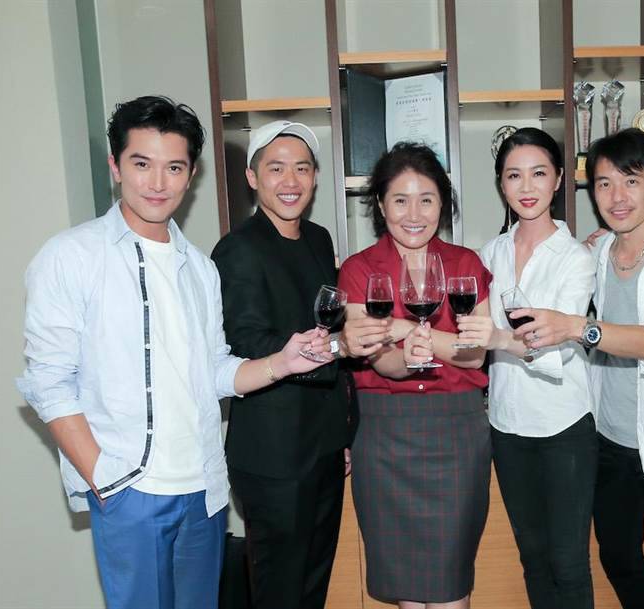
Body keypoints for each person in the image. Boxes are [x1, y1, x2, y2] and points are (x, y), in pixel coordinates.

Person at [15, 97, 331, 609]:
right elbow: (49, 382)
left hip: (204, 491)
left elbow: (213, 372)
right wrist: (106, 481)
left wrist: (283, 362)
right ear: (116, 166)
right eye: (142, 163)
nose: (158, 182)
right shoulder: (72, 256)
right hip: (130, 491)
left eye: (175, 167)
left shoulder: (199, 269)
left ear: (191, 175)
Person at [513, 128, 644, 609]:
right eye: (604, 184)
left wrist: (577, 327)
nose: (617, 197)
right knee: (617, 555)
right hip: (609, 438)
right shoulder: (596, 254)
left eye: (631, 181)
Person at [337, 142, 491, 609]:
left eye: (426, 199)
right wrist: (411, 355)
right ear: (381, 204)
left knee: (449, 588)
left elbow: (475, 356)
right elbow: (378, 358)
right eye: (400, 200)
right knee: (406, 591)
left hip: (457, 433)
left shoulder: (465, 265)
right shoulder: (358, 270)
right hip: (385, 436)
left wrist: (405, 330)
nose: (414, 214)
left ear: (442, 204)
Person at [211, 121, 352, 609]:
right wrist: (337, 348)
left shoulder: (318, 238)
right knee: (280, 592)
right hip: (273, 456)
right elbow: (246, 342)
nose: (290, 181)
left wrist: (342, 432)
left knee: (314, 587)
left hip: (323, 445)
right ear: (253, 177)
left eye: (302, 169)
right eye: (276, 169)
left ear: (315, 177)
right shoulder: (238, 249)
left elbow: (330, 326)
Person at [455, 127, 597, 609]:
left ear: (558, 179)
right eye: (514, 176)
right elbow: (470, 338)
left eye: (539, 173)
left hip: (564, 425)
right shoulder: (489, 255)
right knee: (532, 558)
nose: (527, 186)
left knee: (569, 562)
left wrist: (498, 338)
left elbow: (558, 346)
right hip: (507, 425)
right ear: (501, 184)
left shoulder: (576, 258)